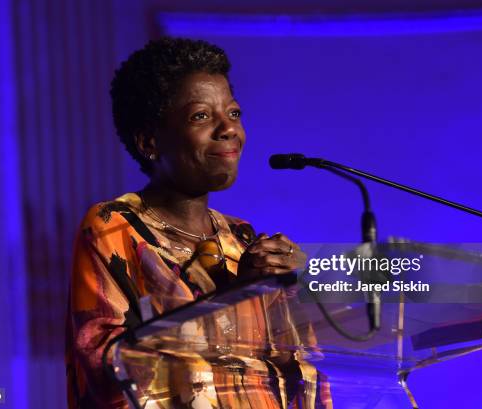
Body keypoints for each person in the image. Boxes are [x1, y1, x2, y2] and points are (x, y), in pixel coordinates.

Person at [65, 37, 331, 409]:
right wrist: (239, 296)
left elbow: (300, 368)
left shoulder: (242, 239)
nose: (228, 129)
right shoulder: (113, 228)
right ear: (149, 142)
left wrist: (293, 299)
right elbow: (106, 371)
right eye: (201, 116)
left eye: (234, 113)